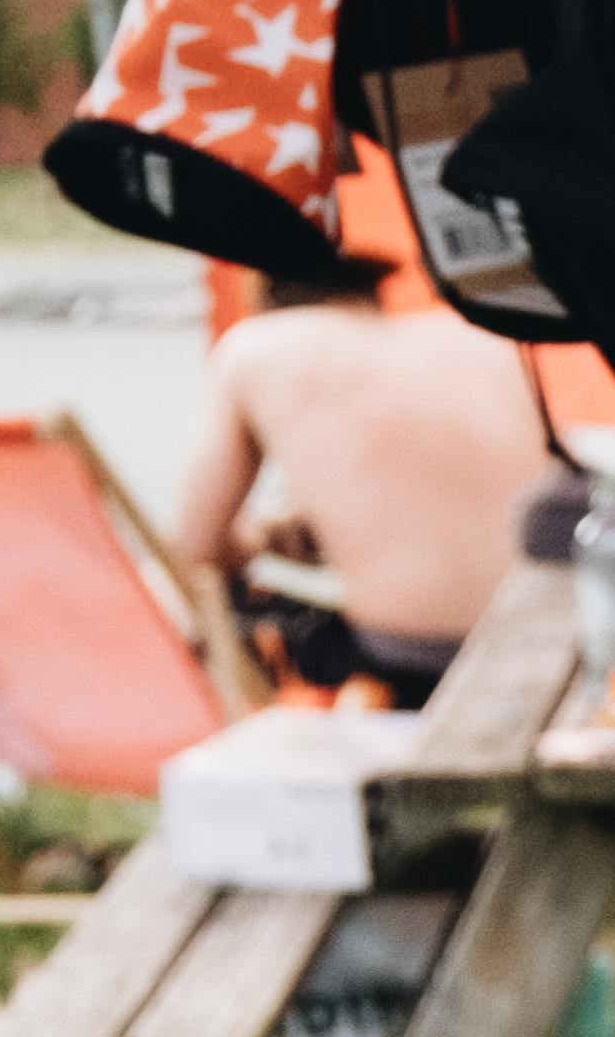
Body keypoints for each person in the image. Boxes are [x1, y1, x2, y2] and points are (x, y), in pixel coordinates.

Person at [171, 248, 551, 701]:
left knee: (221, 607)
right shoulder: (477, 334)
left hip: (412, 661)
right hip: (544, 636)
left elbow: (196, 553)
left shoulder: (256, 345)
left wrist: (260, 538)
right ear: (373, 291)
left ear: (266, 299)